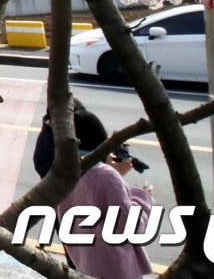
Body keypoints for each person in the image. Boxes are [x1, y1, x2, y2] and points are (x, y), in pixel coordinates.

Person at [39, 99, 154, 278]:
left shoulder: (61, 170)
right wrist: (142, 196)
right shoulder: (106, 176)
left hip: (82, 258)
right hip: (115, 266)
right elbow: (131, 227)